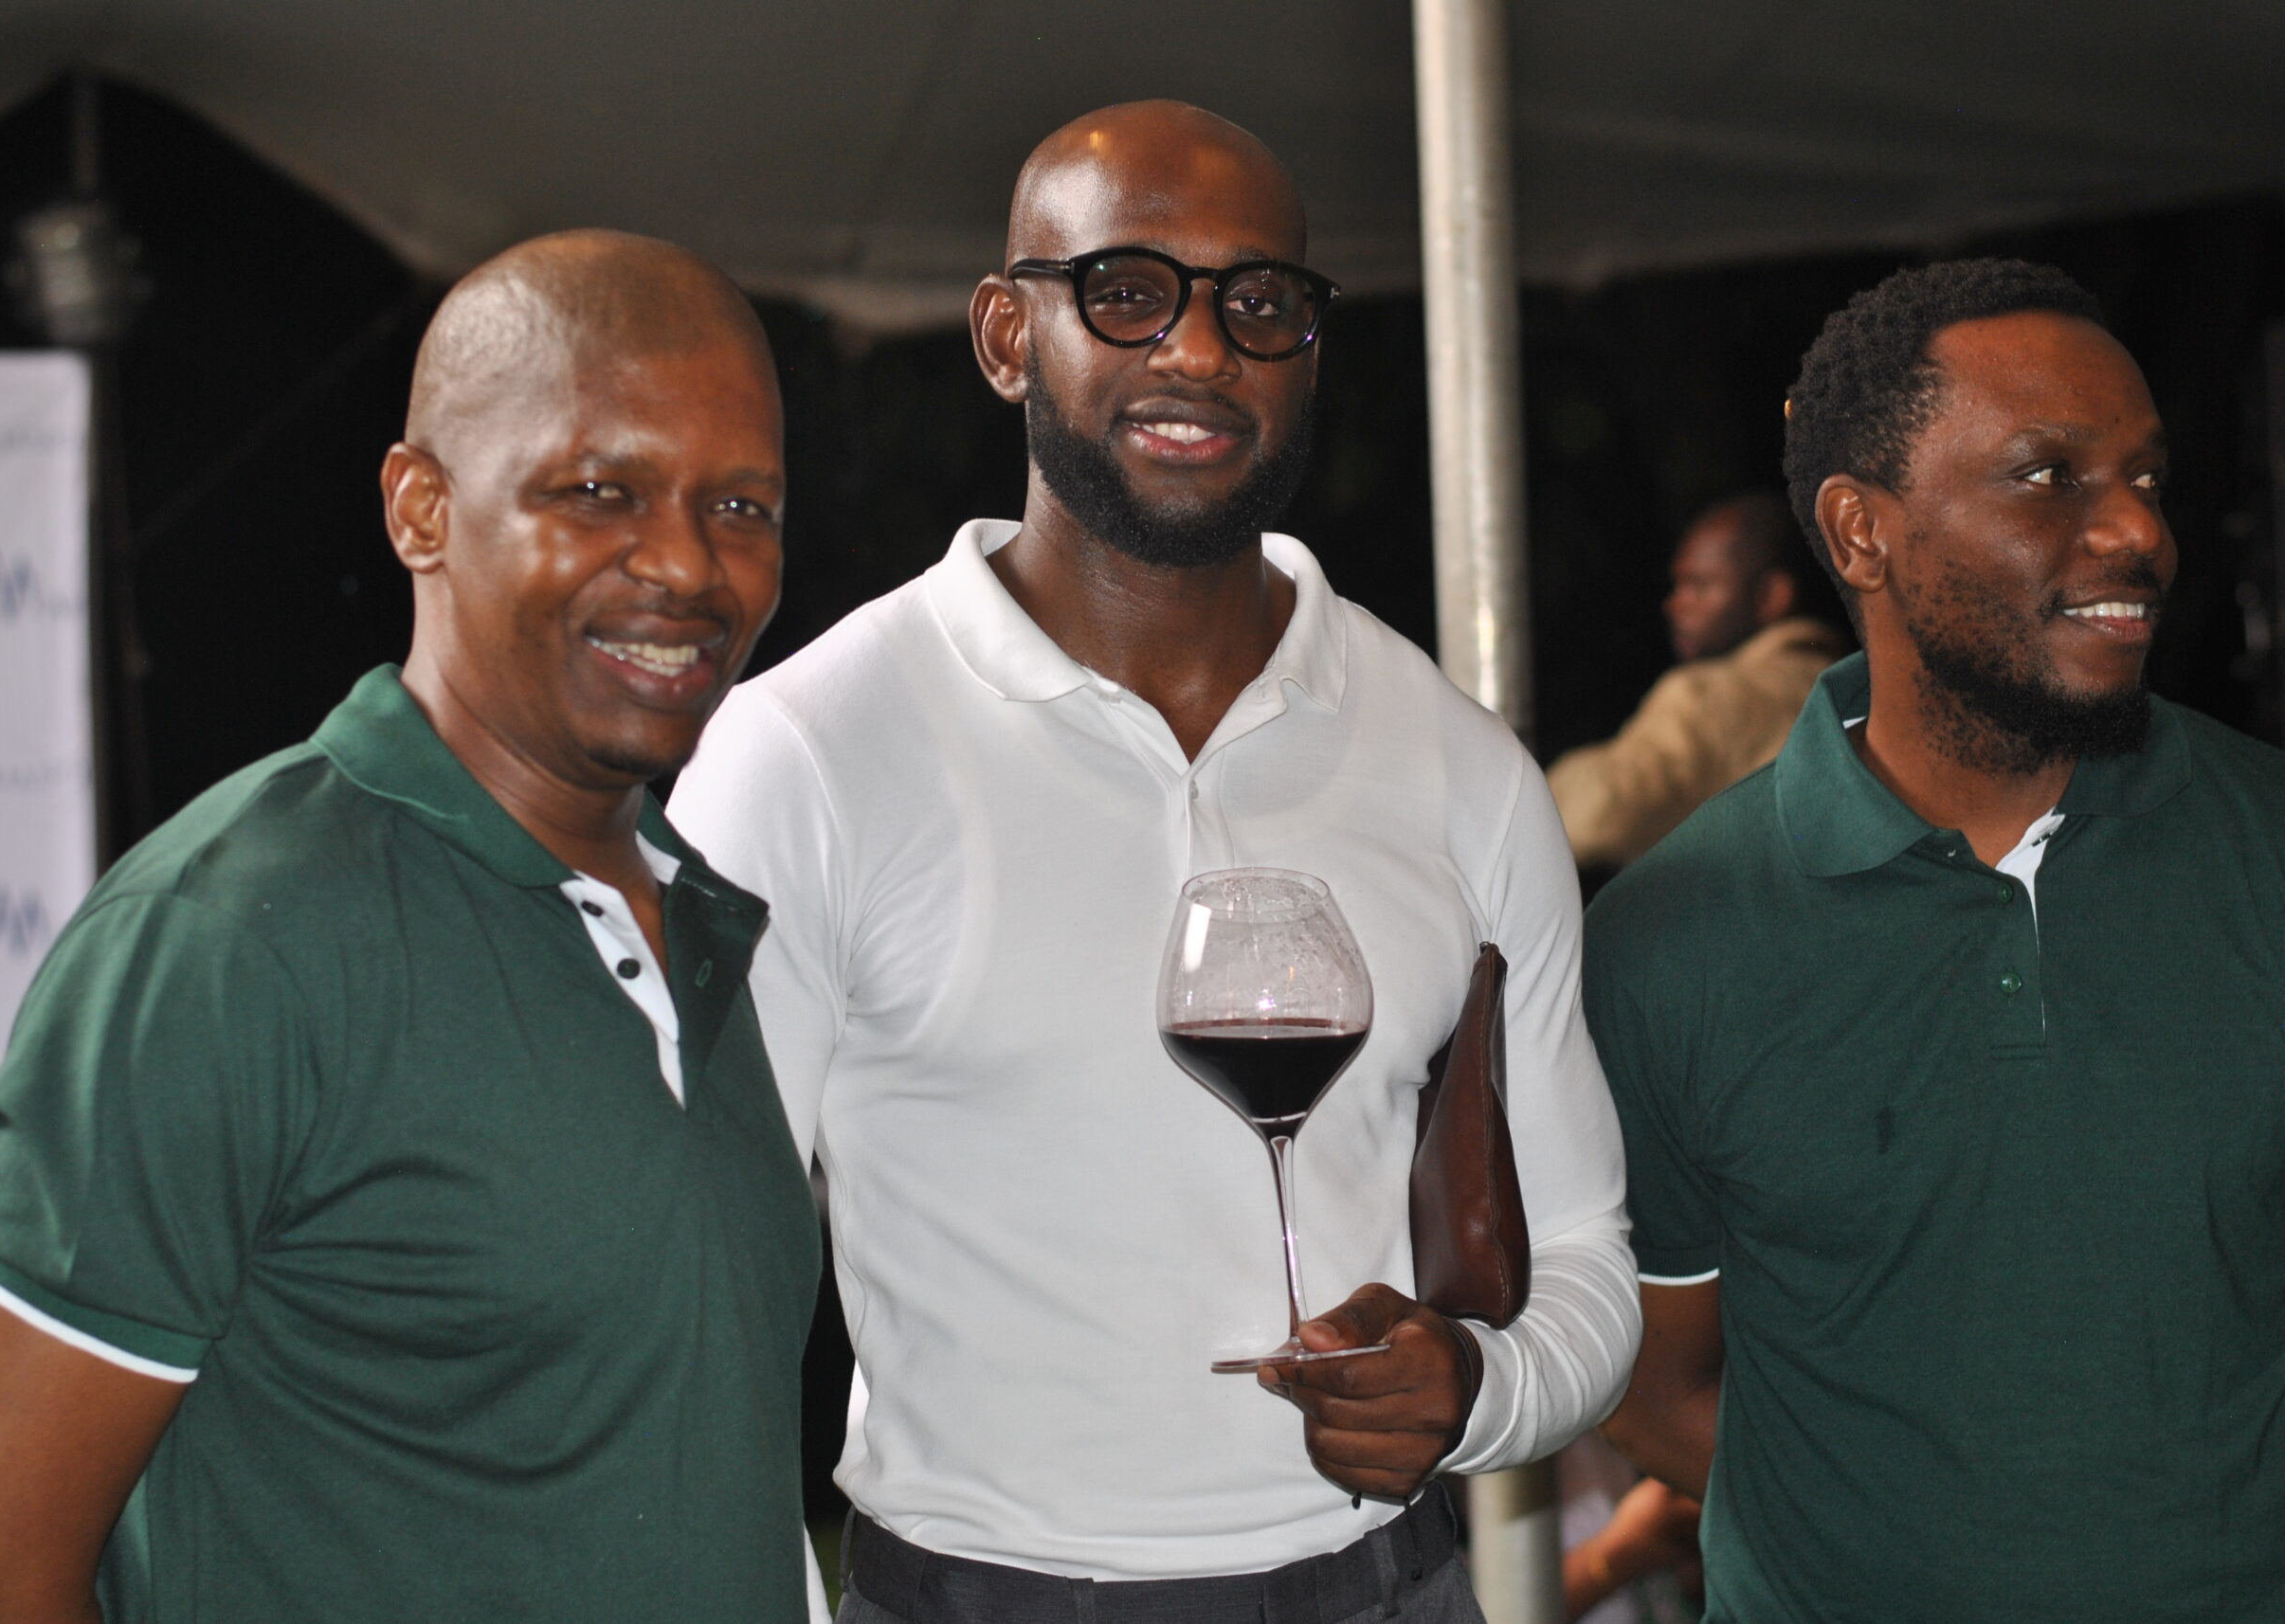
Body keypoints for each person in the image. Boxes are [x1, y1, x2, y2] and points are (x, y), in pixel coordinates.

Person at [670, 100, 1638, 1624]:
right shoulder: (808, 752)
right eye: (1127, 291)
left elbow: (1585, 1255)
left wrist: (1474, 1387)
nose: (1199, 350)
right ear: (1006, 335)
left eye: (1259, 303)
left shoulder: (1461, 766)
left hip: (1394, 1591)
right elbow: (691, 1300)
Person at [0, 231, 824, 1624]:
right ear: (421, 509)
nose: (687, 562)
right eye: (598, 490)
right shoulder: (225, 940)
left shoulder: (704, 920)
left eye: (741, 505)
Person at [1588, 258, 2285, 1620]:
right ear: (1861, 532)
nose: (2137, 530)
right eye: (2049, 476)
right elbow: (1649, 1382)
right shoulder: (1670, 935)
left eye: (2147, 476)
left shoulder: (2264, 846)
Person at [1546, 492, 1846, 871]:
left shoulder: (1706, 696)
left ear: (1772, 596)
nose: (1675, 604)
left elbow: (1593, 816)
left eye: (1700, 585)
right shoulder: (1853, 688)